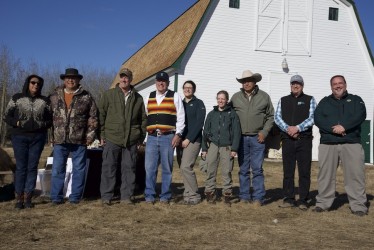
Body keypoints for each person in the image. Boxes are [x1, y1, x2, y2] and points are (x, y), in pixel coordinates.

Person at [313, 75, 368, 216]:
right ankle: (323, 203)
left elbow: (360, 115)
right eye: (334, 84)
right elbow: (318, 118)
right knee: (325, 175)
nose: (338, 86)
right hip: (328, 143)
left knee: (355, 175)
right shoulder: (324, 102)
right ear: (331, 86)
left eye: (340, 83)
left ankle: (358, 205)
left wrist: (344, 127)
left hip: (351, 143)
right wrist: (334, 129)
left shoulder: (356, 100)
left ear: (345, 84)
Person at [49, 68, 98, 205]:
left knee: (79, 170)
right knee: (58, 169)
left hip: (80, 140)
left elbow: (93, 118)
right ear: (64, 80)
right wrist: (51, 136)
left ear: (78, 80)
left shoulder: (86, 96)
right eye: (68, 78)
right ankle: (56, 197)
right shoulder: (54, 96)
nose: (71, 80)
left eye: (74, 78)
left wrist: (89, 136)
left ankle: (75, 197)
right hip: (59, 140)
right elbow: (48, 118)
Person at [99, 68, 147, 205]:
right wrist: (102, 134)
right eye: (122, 77)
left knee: (129, 168)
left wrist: (140, 138)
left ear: (131, 79)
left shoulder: (138, 98)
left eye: (126, 77)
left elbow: (143, 119)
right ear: (119, 79)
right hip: (112, 137)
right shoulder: (109, 95)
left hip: (131, 139)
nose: (124, 79)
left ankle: (126, 196)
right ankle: (106, 196)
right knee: (109, 167)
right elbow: (101, 115)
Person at [4, 74, 52, 209]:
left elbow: (50, 119)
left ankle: (28, 197)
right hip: (19, 137)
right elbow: (6, 116)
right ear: (28, 83)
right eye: (33, 82)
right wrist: (17, 122)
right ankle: (18, 198)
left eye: (38, 84)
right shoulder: (17, 98)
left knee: (32, 167)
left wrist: (42, 124)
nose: (35, 85)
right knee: (21, 167)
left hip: (37, 138)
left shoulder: (45, 101)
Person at [231, 70, 274, 206]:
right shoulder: (236, 97)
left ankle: (258, 197)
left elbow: (270, 117)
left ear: (255, 82)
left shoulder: (264, 97)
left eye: (249, 80)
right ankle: (244, 196)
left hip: (257, 138)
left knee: (257, 169)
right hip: (241, 138)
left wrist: (264, 132)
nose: (246, 83)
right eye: (244, 81)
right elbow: (229, 116)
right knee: (243, 169)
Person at [274, 75, 316, 210]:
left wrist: (298, 128)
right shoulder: (283, 100)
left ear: (302, 85)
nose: (295, 86)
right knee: (288, 171)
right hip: (287, 140)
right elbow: (277, 117)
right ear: (290, 85)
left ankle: (303, 199)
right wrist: (288, 129)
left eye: (298, 83)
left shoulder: (310, 99)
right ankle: (288, 198)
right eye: (293, 83)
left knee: (304, 171)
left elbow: (313, 117)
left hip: (304, 140)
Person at [144, 71, 185, 204]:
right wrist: (145, 137)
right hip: (151, 137)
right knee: (150, 168)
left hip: (168, 137)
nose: (161, 83)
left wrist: (178, 134)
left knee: (167, 168)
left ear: (167, 83)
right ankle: (149, 194)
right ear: (155, 82)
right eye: (159, 81)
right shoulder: (148, 97)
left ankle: (165, 196)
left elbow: (181, 117)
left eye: (164, 81)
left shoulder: (175, 96)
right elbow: (146, 117)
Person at [201, 90, 241, 206]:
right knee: (210, 170)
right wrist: (204, 148)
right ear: (216, 99)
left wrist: (234, 148)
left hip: (227, 147)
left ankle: (227, 195)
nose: (220, 101)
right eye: (219, 98)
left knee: (226, 171)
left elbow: (236, 131)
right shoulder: (211, 114)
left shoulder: (232, 113)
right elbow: (205, 132)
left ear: (227, 100)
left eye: (223, 98)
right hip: (213, 145)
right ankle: (210, 193)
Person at [176, 80, 206, 205]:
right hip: (180, 140)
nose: (187, 89)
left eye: (190, 87)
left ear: (194, 89)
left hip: (193, 140)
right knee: (182, 168)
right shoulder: (180, 103)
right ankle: (187, 195)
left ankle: (194, 195)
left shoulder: (199, 103)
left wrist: (188, 139)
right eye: (185, 87)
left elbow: (199, 124)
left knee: (186, 166)